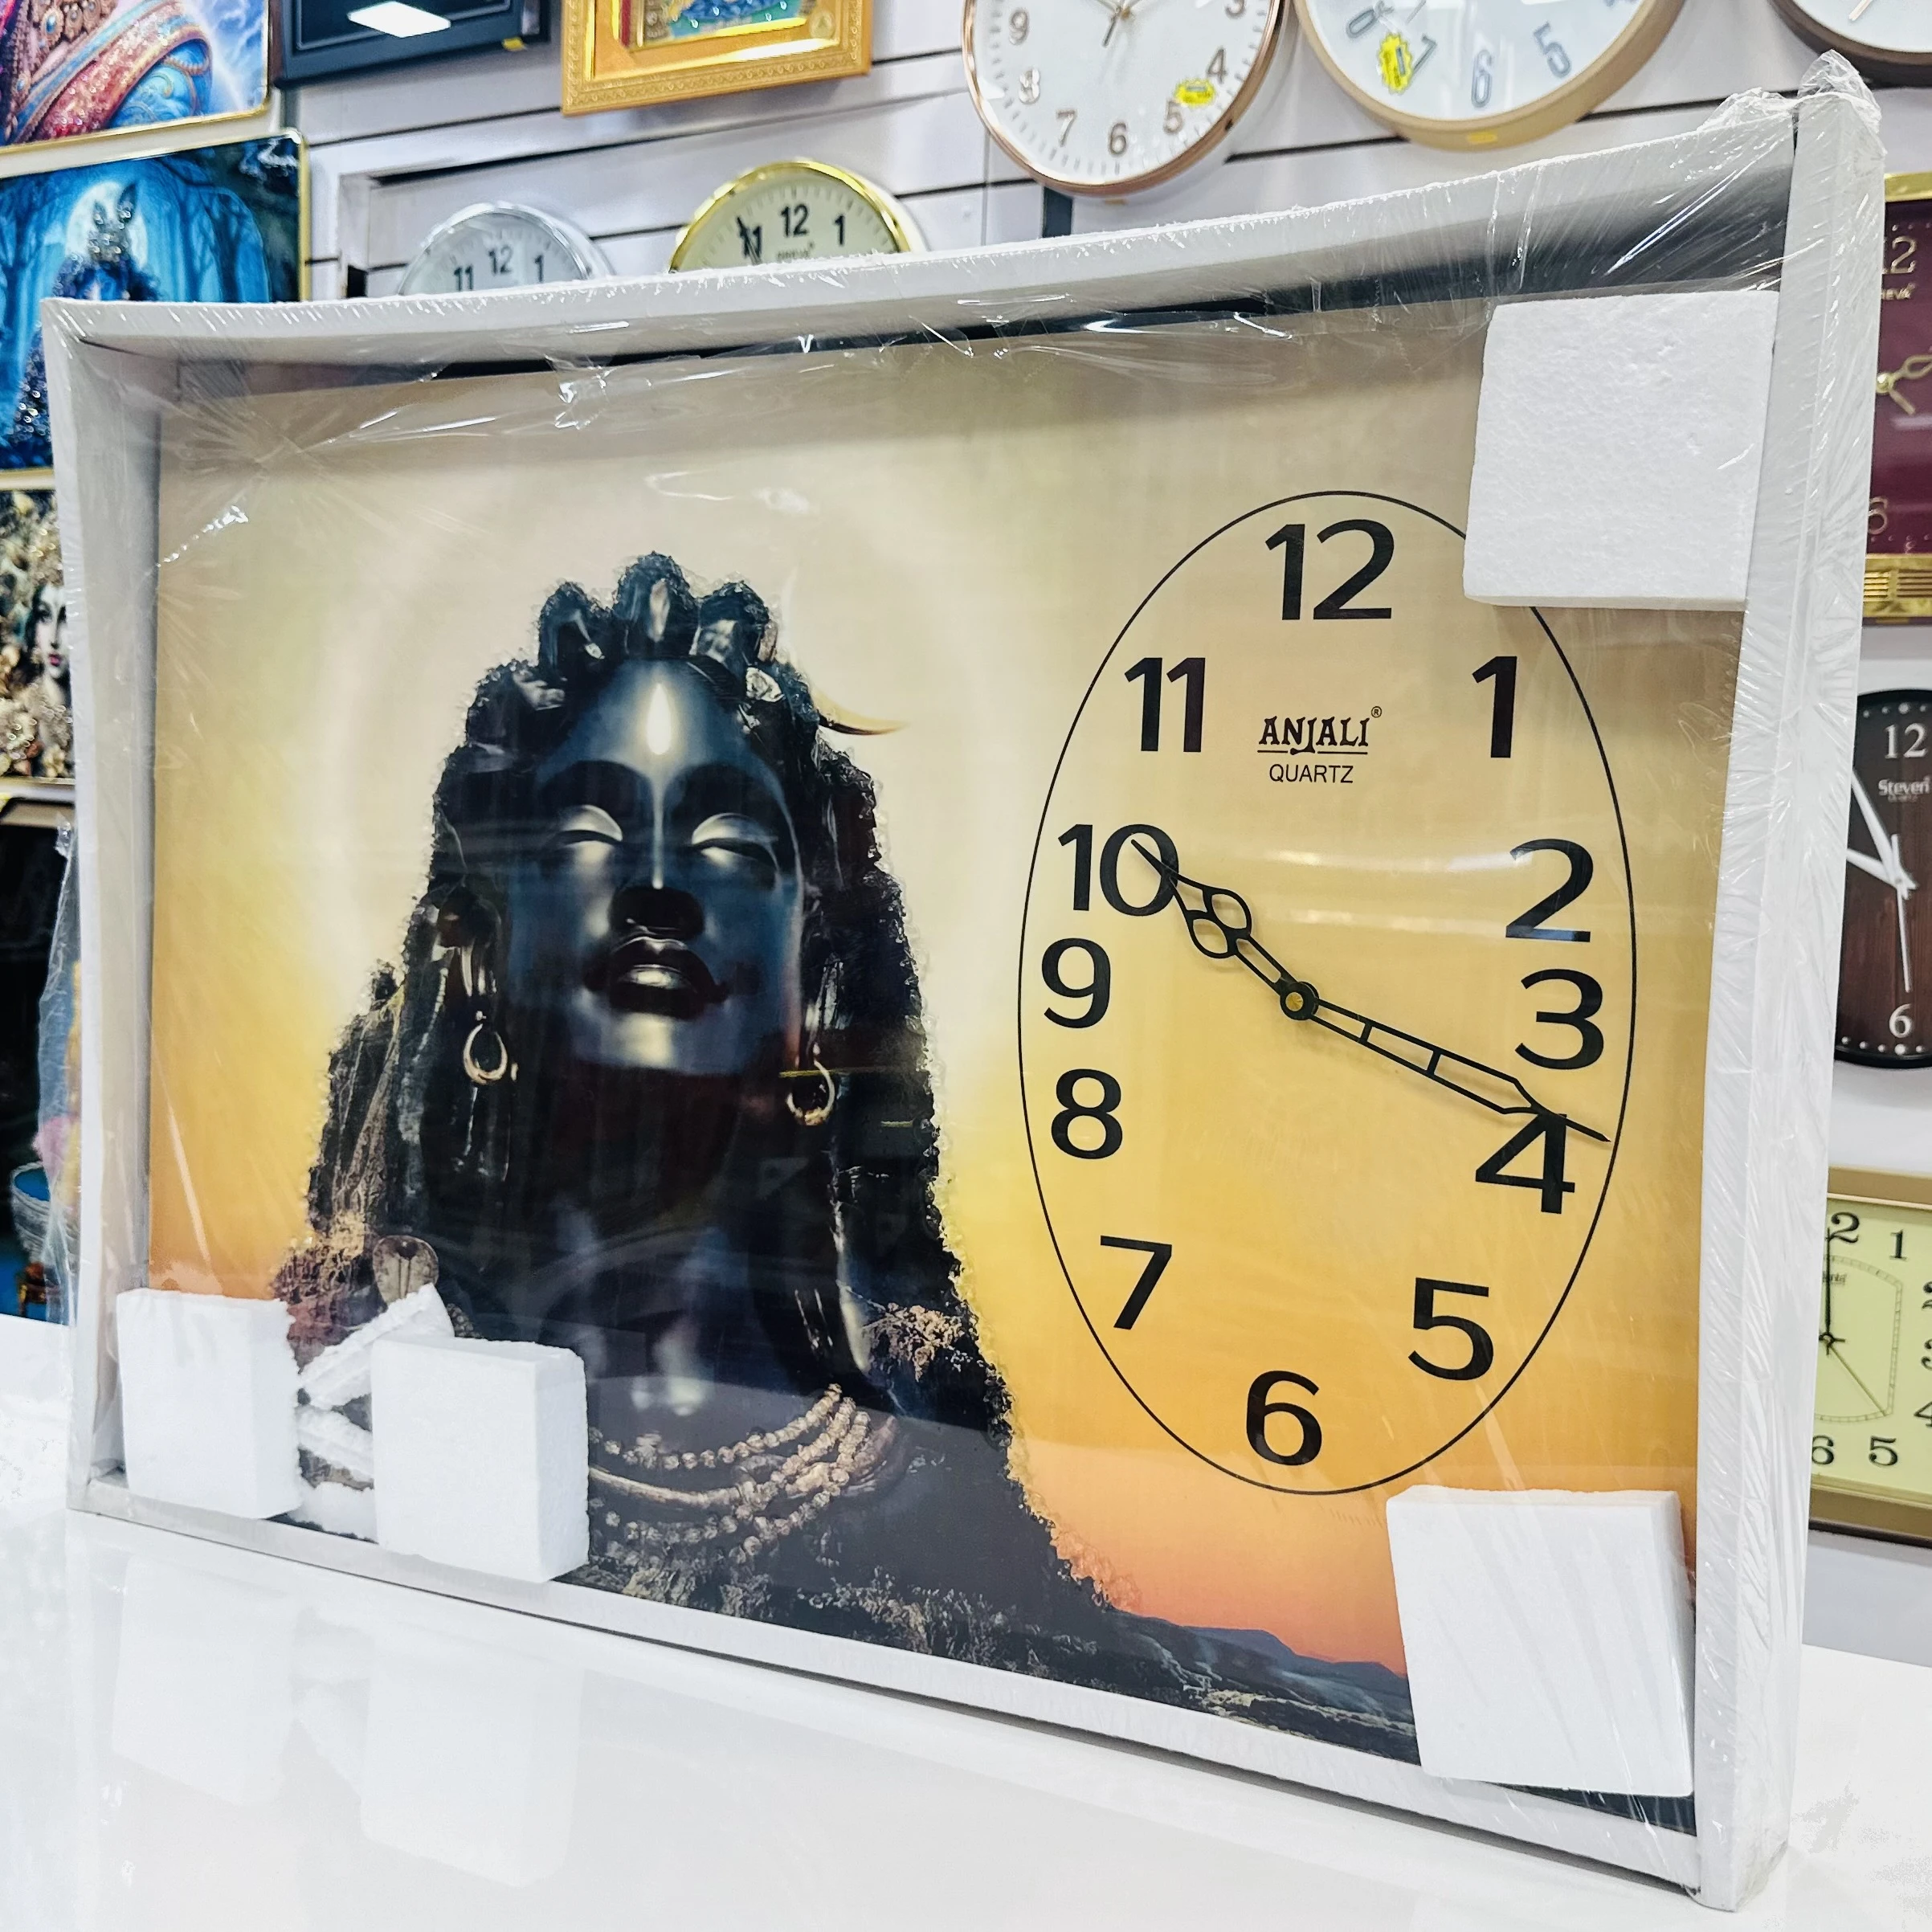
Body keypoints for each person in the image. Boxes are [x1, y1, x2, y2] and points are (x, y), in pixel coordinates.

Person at [276, 552, 1417, 1758]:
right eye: (585, 835)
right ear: (481, 955)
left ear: (816, 972)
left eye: (727, 844)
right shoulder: (371, 1418)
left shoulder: (929, 1533)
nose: (657, 888)